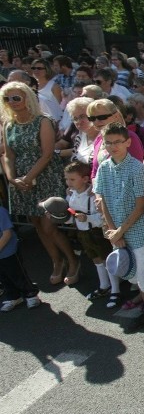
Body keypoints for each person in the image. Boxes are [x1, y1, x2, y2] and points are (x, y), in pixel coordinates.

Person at [94, 123, 144, 342]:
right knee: (136, 275)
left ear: (128, 142)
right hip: (119, 230)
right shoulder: (104, 167)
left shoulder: (137, 168)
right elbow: (102, 200)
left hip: (138, 229)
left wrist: (120, 231)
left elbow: (141, 205)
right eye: (108, 142)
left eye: (117, 142)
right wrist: (112, 230)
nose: (113, 146)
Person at [0, 81, 78, 285]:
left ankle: (72, 260)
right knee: (37, 226)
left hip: (46, 178)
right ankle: (56, 261)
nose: (12, 102)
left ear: (27, 98)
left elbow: (47, 154)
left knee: (49, 225)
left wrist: (27, 177)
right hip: (20, 182)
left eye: (16, 97)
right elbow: (7, 155)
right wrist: (12, 178)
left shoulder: (43, 121)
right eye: (7, 98)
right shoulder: (9, 124)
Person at [64, 161, 116, 303]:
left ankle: (115, 289)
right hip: (83, 233)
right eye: (67, 179)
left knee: (106, 259)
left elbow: (101, 219)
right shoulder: (71, 195)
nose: (69, 183)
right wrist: (61, 216)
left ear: (85, 179)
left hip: (96, 232)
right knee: (96, 259)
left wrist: (86, 218)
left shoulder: (92, 196)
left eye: (72, 179)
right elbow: (69, 217)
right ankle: (104, 285)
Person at [0, 204, 40, 311]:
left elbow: (7, 233)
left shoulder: (1, 211)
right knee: (4, 277)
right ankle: (14, 297)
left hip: (9, 252)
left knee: (18, 273)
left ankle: (30, 294)